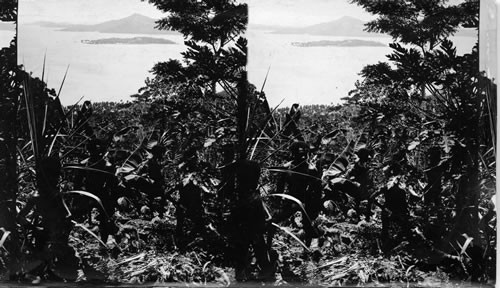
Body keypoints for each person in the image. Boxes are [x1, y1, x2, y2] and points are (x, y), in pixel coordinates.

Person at [18, 156, 79, 282]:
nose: (54, 180)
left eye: (55, 176)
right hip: (43, 233)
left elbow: (67, 213)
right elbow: (20, 217)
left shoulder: (57, 194)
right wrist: (32, 227)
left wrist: (65, 222)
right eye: (51, 176)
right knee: (42, 263)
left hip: (56, 233)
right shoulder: (36, 196)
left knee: (58, 264)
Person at [230, 160, 275, 281]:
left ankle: (261, 270)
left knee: (254, 246)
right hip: (247, 225)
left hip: (250, 225)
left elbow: (258, 202)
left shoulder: (248, 192)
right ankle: (250, 271)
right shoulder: (242, 192)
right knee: (249, 246)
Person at [272, 141, 323, 247]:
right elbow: (279, 188)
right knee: (274, 220)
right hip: (291, 198)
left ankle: (307, 249)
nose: (302, 156)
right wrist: (277, 204)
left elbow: (317, 189)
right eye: (298, 153)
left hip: (306, 200)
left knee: (308, 225)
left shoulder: (311, 169)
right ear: (293, 154)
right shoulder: (287, 168)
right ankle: (268, 245)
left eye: (304, 153)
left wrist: (315, 205)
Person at [325, 147, 373, 220]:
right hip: (355, 186)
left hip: (360, 188)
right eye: (367, 155)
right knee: (338, 184)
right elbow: (349, 175)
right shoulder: (358, 165)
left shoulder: (364, 165)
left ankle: (361, 215)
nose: (368, 157)